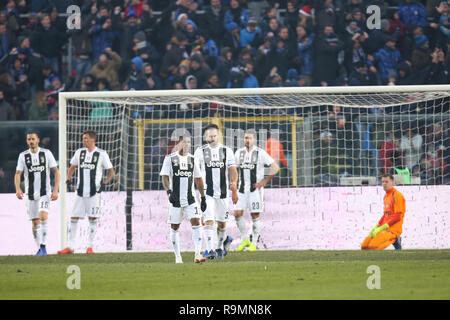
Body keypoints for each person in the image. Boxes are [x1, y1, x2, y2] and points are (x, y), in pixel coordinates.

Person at [58, 130, 115, 254]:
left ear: (93, 139)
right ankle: (70, 247)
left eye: (86, 138)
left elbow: (111, 172)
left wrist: (105, 184)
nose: (84, 140)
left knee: (92, 218)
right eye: (83, 138)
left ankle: (89, 247)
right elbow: (72, 167)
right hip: (80, 191)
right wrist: (68, 179)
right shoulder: (79, 153)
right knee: (74, 217)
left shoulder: (101, 154)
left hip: (94, 193)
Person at [160, 135, 208, 264]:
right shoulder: (170, 159)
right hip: (175, 199)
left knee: (196, 222)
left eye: (188, 142)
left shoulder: (193, 159)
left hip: (190, 199)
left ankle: (197, 254)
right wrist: (169, 191)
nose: (187, 144)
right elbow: (164, 177)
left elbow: (198, 179)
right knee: (175, 227)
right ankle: (178, 257)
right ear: (178, 143)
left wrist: (203, 198)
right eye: (184, 142)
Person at [194, 124, 238, 259]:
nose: (212, 138)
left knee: (222, 223)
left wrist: (234, 185)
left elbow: (232, 170)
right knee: (208, 220)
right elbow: (195, 174)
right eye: (209, 136)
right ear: (205, 137)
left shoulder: (226, 151)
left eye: (214, 136)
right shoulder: (199, 152)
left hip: (223, 193)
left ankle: (219, 246)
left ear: (218, 136)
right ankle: (209, 250)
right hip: (207, 193)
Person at [14, 131, 60, 256]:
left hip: (44, 192)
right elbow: (18, 174)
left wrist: (56, 190)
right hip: (30, 195)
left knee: (43, 216)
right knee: (35, 223)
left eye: (33, 139)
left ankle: (44, 247)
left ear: (38, 140)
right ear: (27, 141)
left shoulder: (46, 153)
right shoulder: (23, 156)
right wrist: (18, 189)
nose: (31, 141)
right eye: (29, 139)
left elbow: (56, 171)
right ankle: (40, 248)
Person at [234, 130, 279, 252]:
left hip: (255, 190)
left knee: (255, 216)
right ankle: (245, 239)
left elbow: (275, 168)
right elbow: (234, 169)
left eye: (250, 138)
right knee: (237, 214)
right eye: (245, 138)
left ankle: (253, 243)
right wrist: (234, 182)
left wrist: (264, 181)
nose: (247, 140)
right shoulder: (239, 153)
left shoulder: (260, 153)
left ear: (254, 140)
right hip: (241, 189)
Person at [361, 174, 406, 250]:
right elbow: (385, 215)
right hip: (384, 229)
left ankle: (395, 239)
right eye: (383, 182)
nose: (384, 184)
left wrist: (382, 227)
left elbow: (398, 217)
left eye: (386, 182)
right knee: (364, 246)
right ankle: (393, 240)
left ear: (392, 182)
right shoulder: (386, 196)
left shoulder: (397, 195)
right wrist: (376, 227)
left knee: (373, 247)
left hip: (393, 230)